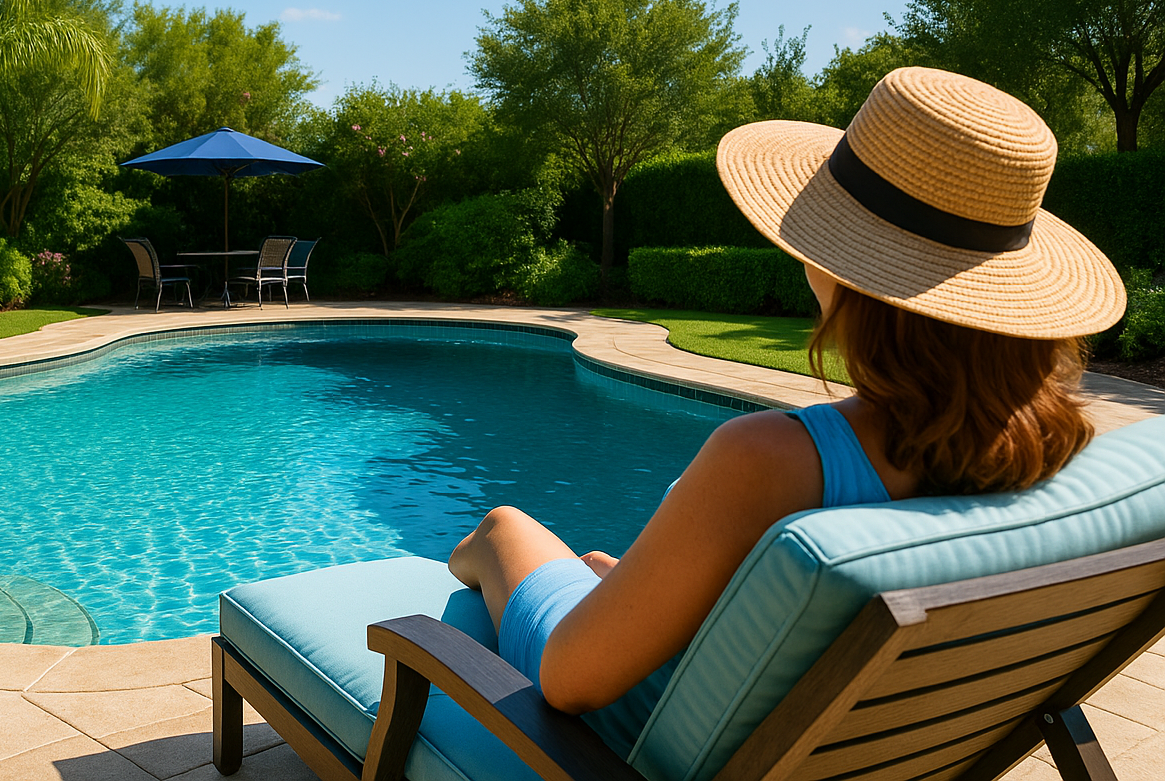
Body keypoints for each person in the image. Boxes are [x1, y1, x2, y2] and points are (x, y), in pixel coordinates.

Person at [448, 66, 1127, 756]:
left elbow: (570, 681)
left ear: (844, 263)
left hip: (625, 739)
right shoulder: (1048, 452)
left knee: (500, 530)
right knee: (593, 562)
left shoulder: (770, 459)